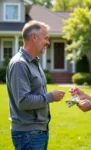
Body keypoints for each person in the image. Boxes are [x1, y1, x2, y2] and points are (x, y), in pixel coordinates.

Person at [6, 20, 65, 150]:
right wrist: (50, 97)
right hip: (28, 133)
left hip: (37, 132)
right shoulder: (20, 64)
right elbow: (23, 101)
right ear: (34, 37)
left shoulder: (34, 62)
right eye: (46, 38)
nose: (48, 42)